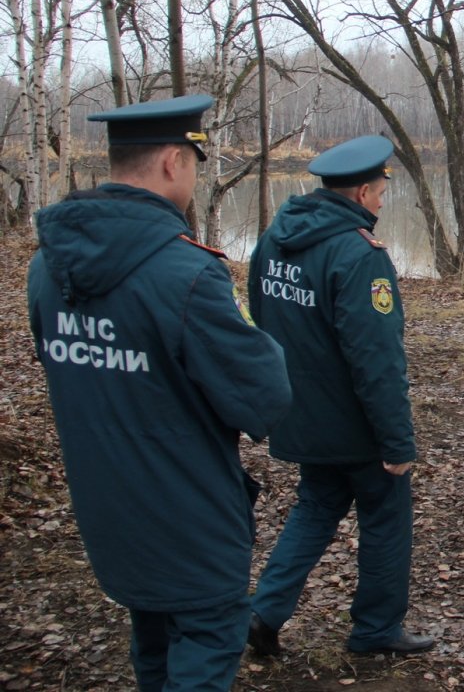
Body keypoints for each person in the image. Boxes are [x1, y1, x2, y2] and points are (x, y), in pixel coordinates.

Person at [26, 95, 293, 691]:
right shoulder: (186, 272)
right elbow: (264, 398)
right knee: (205, 640)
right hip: (188, 515)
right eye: (195, 163)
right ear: (174, 161)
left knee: (152, 637)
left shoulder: (47, 267)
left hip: (108, 507)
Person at [246, 135, 431, 657]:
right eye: (380, 193)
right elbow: (377, 359)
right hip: (355, 424)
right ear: (361, 193)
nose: (381, 203)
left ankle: (263, 613)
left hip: (300, 414)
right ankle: (376, 630)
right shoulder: (358, 254)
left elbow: (260, 316)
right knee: (385, 516)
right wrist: (397, 442)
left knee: (317, 505)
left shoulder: (273, 240)